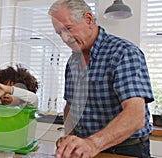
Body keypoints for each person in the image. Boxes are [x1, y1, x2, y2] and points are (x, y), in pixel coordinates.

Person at [48, 0, 154, 157]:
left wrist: (92, 144)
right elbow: (70, 106)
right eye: (59, 33)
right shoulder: (73, 61)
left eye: (68, 29)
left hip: (125, 150)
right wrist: (70, 139)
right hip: (87, 147)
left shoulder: (124, 53)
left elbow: (135, 116)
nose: (65, 38)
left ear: (89, 19)